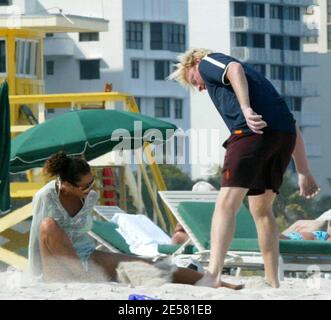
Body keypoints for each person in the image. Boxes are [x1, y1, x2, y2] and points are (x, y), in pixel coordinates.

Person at [169, 48, 320, 288]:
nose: (199, 87)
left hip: (250, 134)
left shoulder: (207, 61)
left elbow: (233, 69)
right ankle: (273, 281)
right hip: (283, 137)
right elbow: (290, 123)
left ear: (194, 64)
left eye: (193, 80)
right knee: (262, 209)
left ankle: (214, 275)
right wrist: (303, 170)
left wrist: (246, 109)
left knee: (225, 203)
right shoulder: (258, 82)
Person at [28, 151, 242, 290]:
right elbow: (36, 243)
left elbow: (83, 236)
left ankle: (214, 282)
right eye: (84, 186)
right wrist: (37, 277)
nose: (91, 189)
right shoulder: (45, 197)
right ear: (65, 184)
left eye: (92, 183)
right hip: (55, 267)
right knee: (48, 225)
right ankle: (83, 278)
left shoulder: (89, 197)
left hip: (86, 257)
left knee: (147, 264)